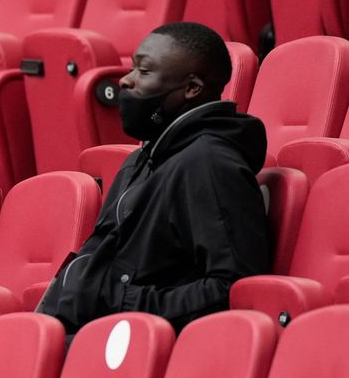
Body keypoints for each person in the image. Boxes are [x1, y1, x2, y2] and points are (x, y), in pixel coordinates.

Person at [38, 22, 270, 334]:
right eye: (132, 68)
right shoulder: (143, 159)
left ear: (191, 88)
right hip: (88, 331)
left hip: (133, 343)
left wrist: (125, 303)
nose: (125, 81)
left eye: (144, 72)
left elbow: (233, 288)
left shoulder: (209, 165)